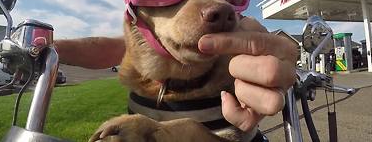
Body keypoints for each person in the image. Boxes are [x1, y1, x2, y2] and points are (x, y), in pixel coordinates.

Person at [55, 16, 297, 132]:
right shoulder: (142, 42)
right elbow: (105, 47)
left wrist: (279, 68)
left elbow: (259, 41)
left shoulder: (234, 44)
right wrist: (42, 48)